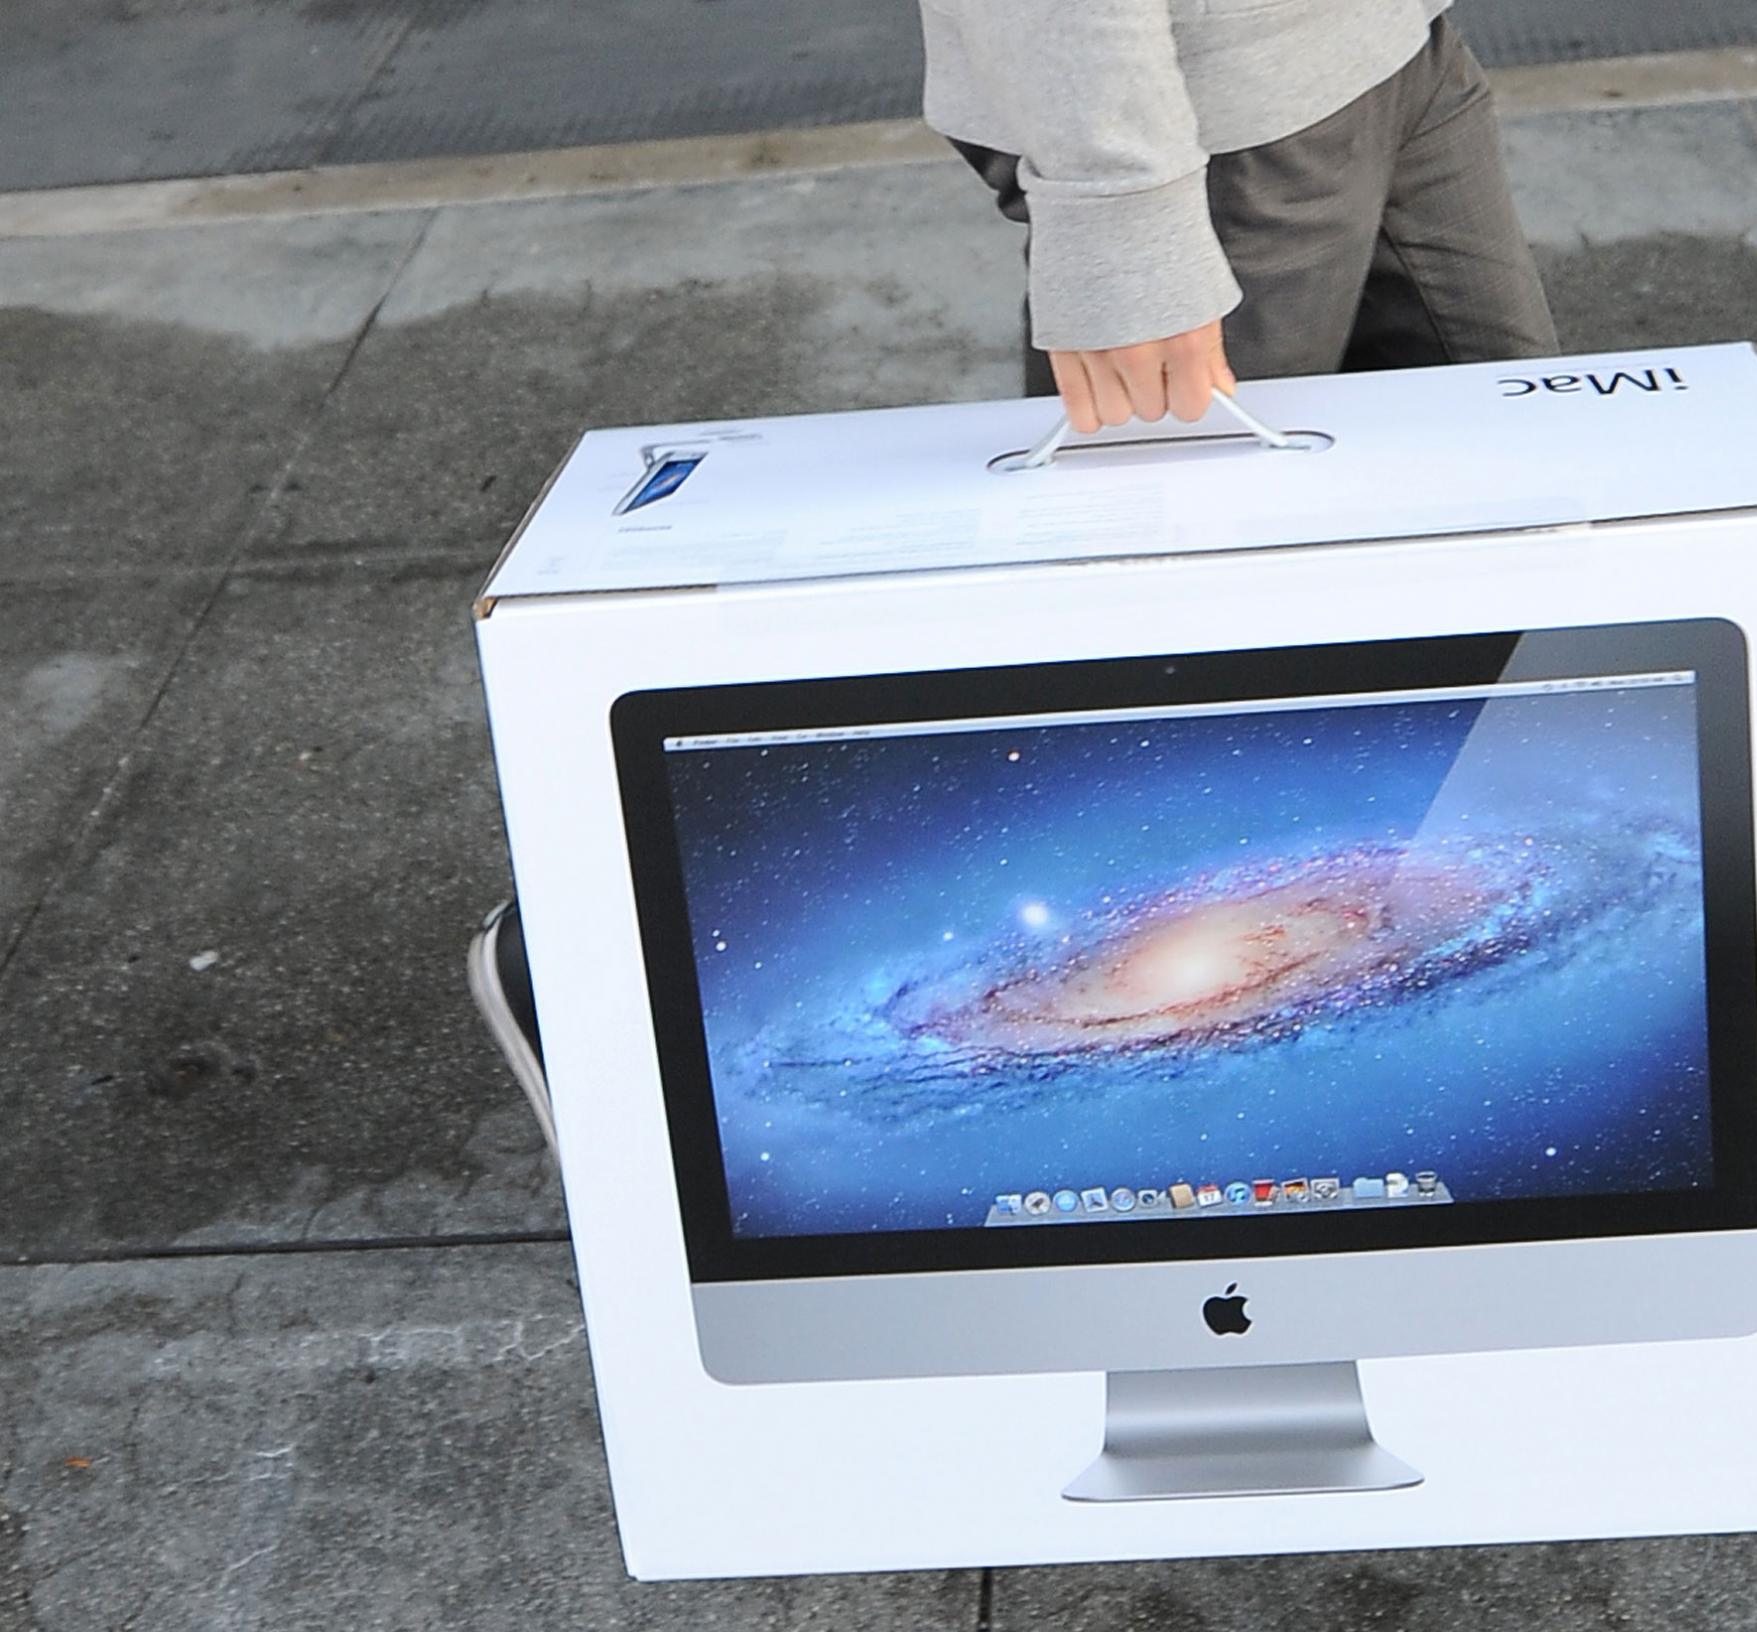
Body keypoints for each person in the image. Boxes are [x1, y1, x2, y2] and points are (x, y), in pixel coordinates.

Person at [469, 0, 1557, 1150]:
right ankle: (591, 963)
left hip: (1384, 42)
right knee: (1137, 631)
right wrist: (1117, 205)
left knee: (1530, 541)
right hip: (1202, 106)